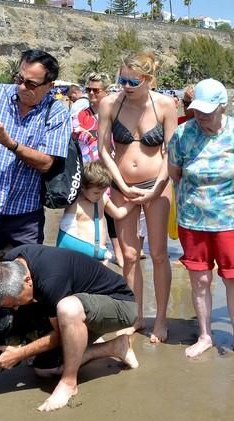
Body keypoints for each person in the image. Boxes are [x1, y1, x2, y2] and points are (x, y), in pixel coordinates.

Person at [0, 244, 140, 412]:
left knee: (67, 308)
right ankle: (114, 346)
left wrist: (20, 353)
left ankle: (69, 382)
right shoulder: (9, 265)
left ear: (28, 281)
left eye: (16, 303)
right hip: (81, 302)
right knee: (45, 370)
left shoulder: (51, 279)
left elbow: (57, 336)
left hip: (121, 304)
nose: (16, 308)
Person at [168, 78, 234, 359]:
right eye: (197, 109)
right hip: (194, 221)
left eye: (207, 110)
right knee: (200, 281)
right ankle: (205, 335)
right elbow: (175, 173)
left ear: (223, 106)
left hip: (233, 220)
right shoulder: (182, 134)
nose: (200, 115)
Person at [0, 49, 71, 265]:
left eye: (31, 84)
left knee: (24, 282)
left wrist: (8, 143)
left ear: (49, 86)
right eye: (20, 78)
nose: (21, 87)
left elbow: (47, 163)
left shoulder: (57, 113)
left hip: (25, 215)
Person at [98, 52, 177, 343]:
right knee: (129, 257)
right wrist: (119, 183)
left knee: (158, 254)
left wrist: (157, 187)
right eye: (122, 80)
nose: (126, 86)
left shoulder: (166, 105)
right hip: (122, 186)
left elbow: (171, 152)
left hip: (157, 185)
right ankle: (135, 316)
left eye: (132, 81)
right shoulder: (109, 104)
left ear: (148, 79)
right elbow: (104, 149)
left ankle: (161, 320)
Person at [72, 72, 125, 267]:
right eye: (88, 90)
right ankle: (90, 248)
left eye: (96, 90)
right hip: (88, 169)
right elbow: (75, 133)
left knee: (110, 211)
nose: (92, 94)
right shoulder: (81, 114)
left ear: (106, 91)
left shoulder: (115, 113)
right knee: (88, 208)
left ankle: (118, 252)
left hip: (112, 168)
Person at [57, 161, 136, 262]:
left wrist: (134, 201)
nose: (99, 196)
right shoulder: (75, 203)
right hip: (79, 254)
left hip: (99, 254)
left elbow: (118, 214)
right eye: (96, 192)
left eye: (103, 192)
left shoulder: (103, 199)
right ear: (83, 187)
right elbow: (64, 231)